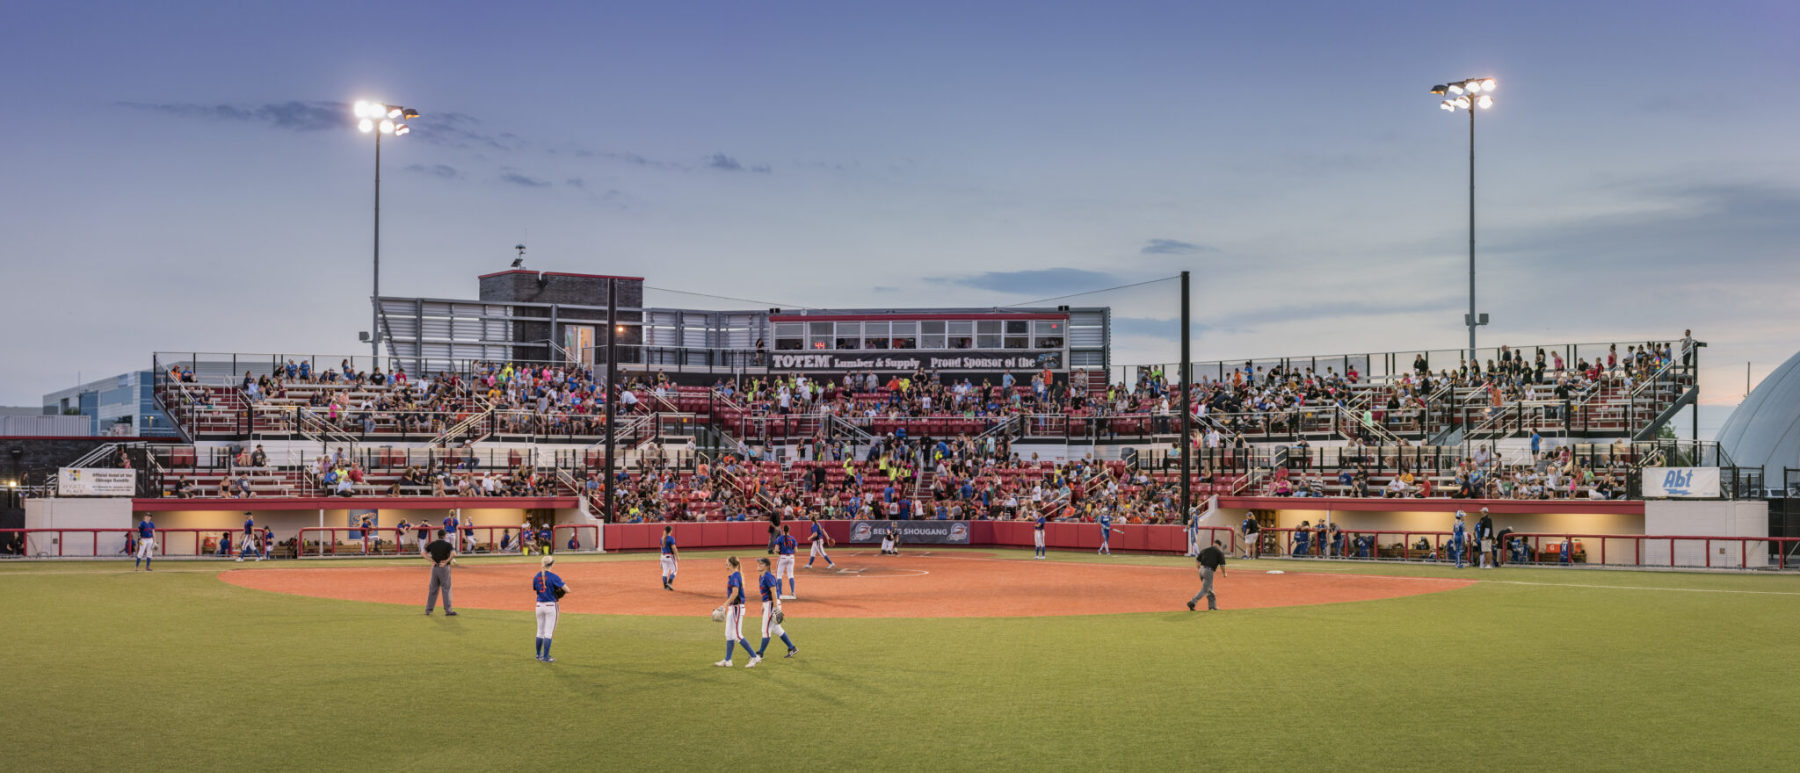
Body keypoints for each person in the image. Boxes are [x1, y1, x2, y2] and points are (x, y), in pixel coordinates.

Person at [715, 556, 760, 667]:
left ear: (731, 564)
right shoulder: (734, 575)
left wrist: (724, 604)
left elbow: (735, 593)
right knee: (728, 634)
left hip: (737, 608)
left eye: (727, 563)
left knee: (737, 635)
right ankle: (728, 660)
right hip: (733, 608)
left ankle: (754, 657)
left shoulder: (735, 575)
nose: (725, 565)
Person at [754, 557, 797, 663]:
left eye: (761, 563)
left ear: (767, 566)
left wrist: (775, 608)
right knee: (777, 629)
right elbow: (766, 593)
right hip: (768, 604)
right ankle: (792, 648)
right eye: (758, 563)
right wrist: (763, 605)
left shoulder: (768, 576)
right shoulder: (761, 576)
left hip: (772, 604)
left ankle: (760, 654)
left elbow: (773, 592)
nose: (758, 564)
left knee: (765, 630)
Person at [532, 556, 568, 663]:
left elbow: (536, 589)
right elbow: (567, 589)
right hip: (550, 606)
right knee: (548, 633)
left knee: (540, 631)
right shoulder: (554, 577)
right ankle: (546, 657)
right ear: (552, 564)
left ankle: (538, 655)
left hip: (539, 606)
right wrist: (557, 591)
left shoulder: (536, 576)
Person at [424, 530, 457, 616]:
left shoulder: (432, 544)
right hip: (444, 568)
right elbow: (453, 554)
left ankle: (428, 610)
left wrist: (431, 560)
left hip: (435, 568)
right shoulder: (447, 544)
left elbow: (422, 553)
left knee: (433, 589)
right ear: (445, 536)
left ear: (438, 535)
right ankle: (448, 610)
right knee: (446, 589)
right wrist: (446, 561)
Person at [1188, 540, 1228, 611]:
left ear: (1213, 544)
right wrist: (1224, 573)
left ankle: (1212, 606)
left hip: (1201, 570)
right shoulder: (1219, 552)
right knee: (1205, 590)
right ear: (1219, 546)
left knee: (1210, 589)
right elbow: (1222, 565)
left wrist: (1200, 569)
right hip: (1209, 571)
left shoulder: (1205, 550)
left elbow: (1197, 561)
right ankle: (1192, 602)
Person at [775, 525, 798, 600]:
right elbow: (796, 551)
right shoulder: (793, 538)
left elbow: (776, 549)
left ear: (782, 530)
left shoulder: (779, 538)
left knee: (779, 575)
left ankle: (780, 592)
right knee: (791, 575)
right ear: (789, 530)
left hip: (783, 557)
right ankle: (793, 592)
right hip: (791, 557)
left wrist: (779, 552)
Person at [660, 525, 679, 591]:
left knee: (665, 571)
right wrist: (677, 556)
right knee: (675, 570)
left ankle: (665, 586)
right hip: (670, 556)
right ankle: (670, 583)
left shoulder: (662, 538)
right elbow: (674, 548)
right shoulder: (671, 538)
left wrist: (660, 560)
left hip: (663, 556)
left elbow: (661, 549)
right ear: (670, 531)